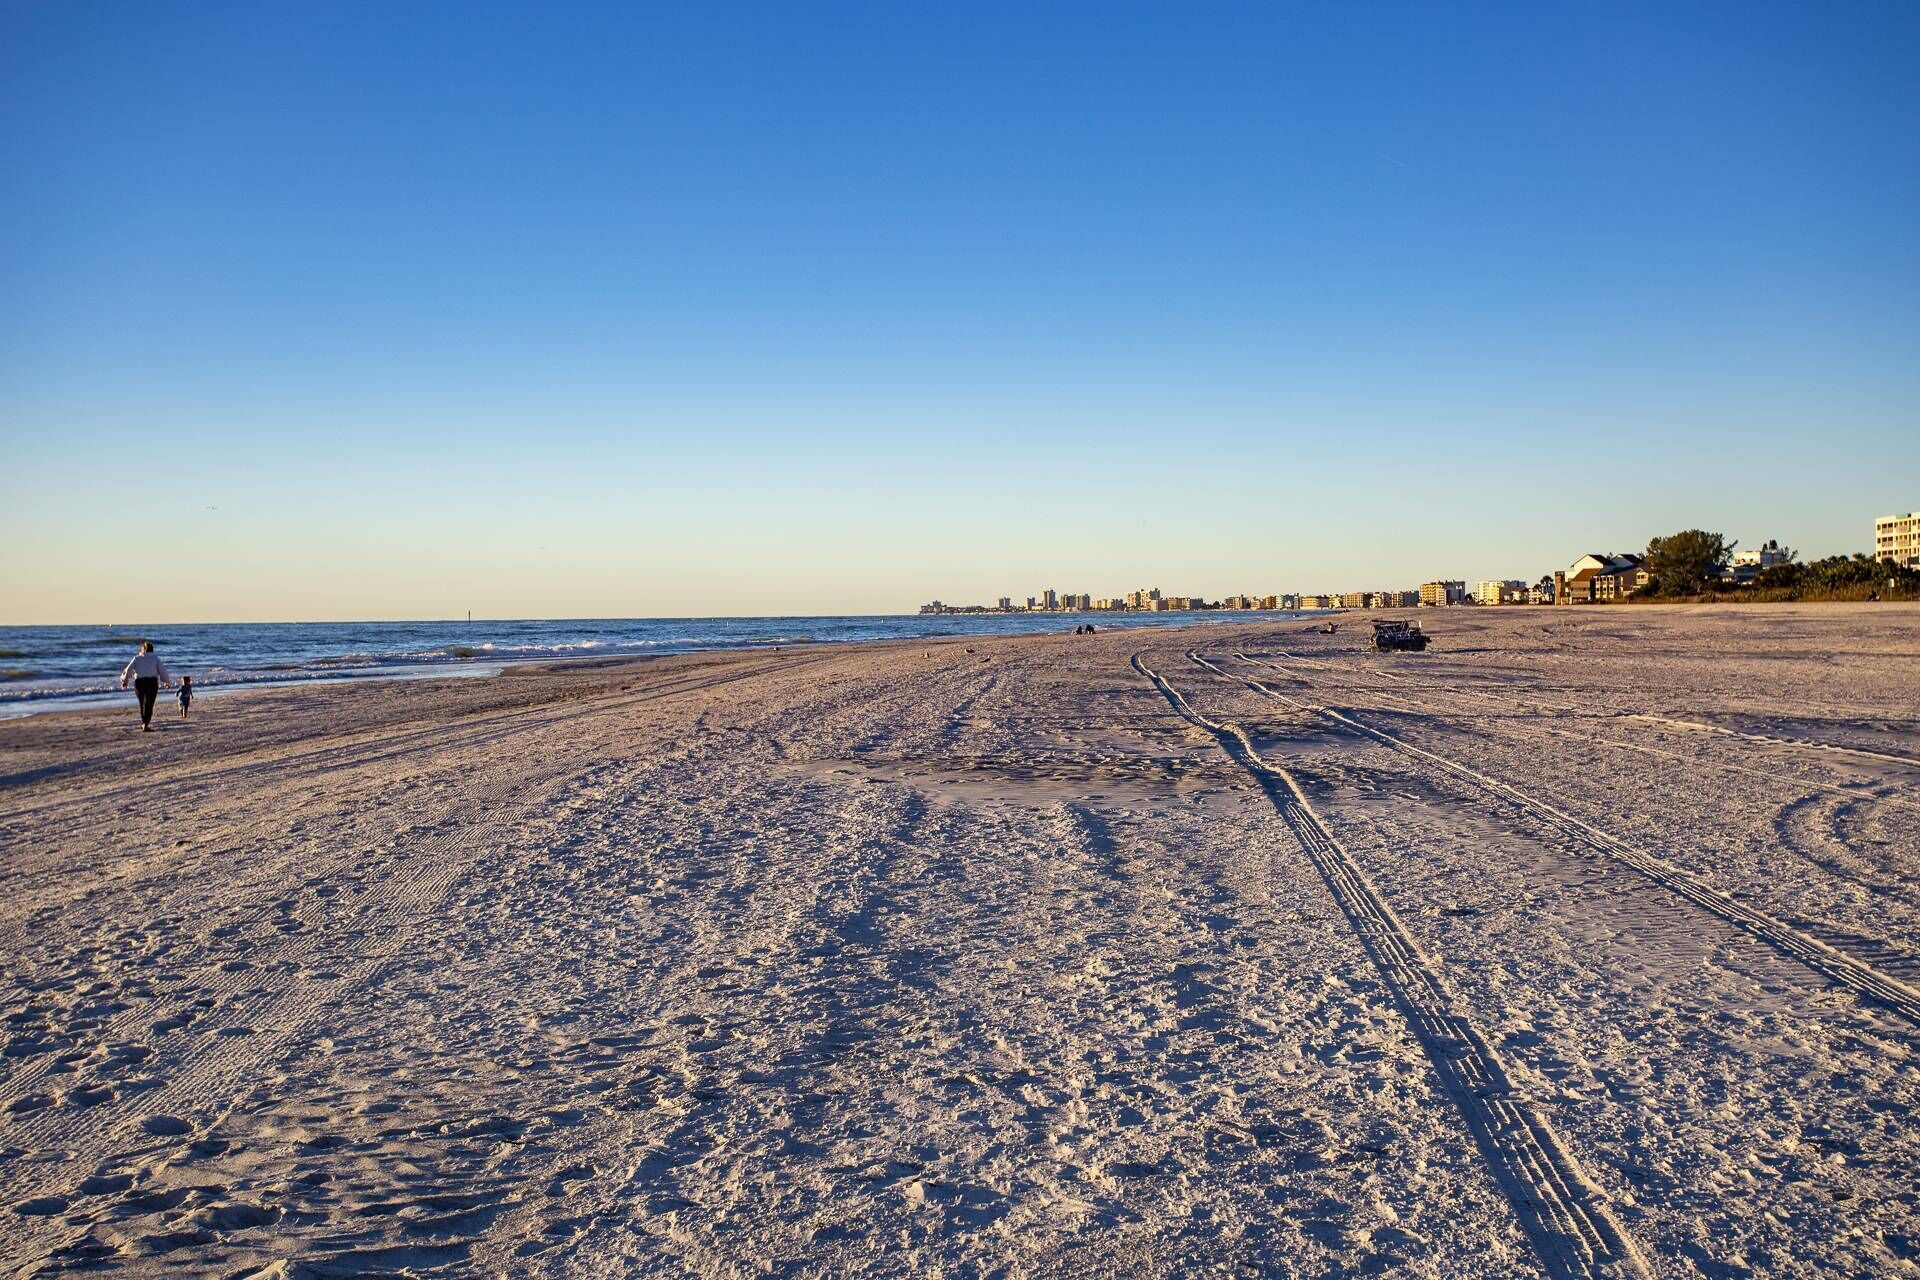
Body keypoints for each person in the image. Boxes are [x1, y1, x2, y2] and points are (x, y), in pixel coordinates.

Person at [119, 641, 172, 732]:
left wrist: (125, 681)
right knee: (149, 704)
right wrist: (166, 681)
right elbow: (163, 671)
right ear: (152, 649)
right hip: (152, 682)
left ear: (142, 649)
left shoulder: (137, 658)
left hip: (139, 682)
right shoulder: (155, 659)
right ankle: (145, 724)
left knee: (142, 703)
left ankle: (144, 722)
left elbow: (128, 670)